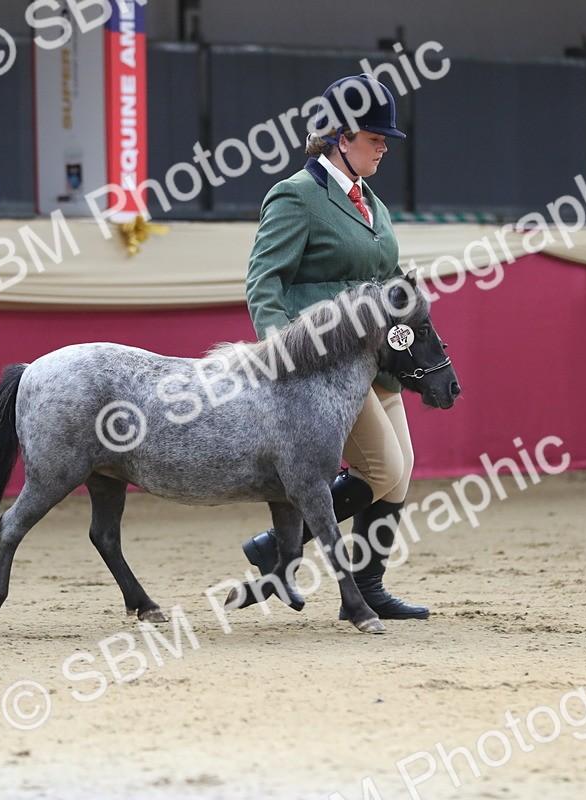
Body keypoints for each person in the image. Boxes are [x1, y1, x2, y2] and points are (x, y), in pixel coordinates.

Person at [240, 73, 428, 620]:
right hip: (324, 365)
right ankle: (278, 545)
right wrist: (279, 355)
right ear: (341, 138)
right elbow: (264, 284)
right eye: (374, 138)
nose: (383, 147)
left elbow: (390, 285)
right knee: (382, 469)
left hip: (376, 363)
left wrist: (408, 340)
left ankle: (367, 588)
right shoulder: (295, 196)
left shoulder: (372, 203)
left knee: (401, 470)